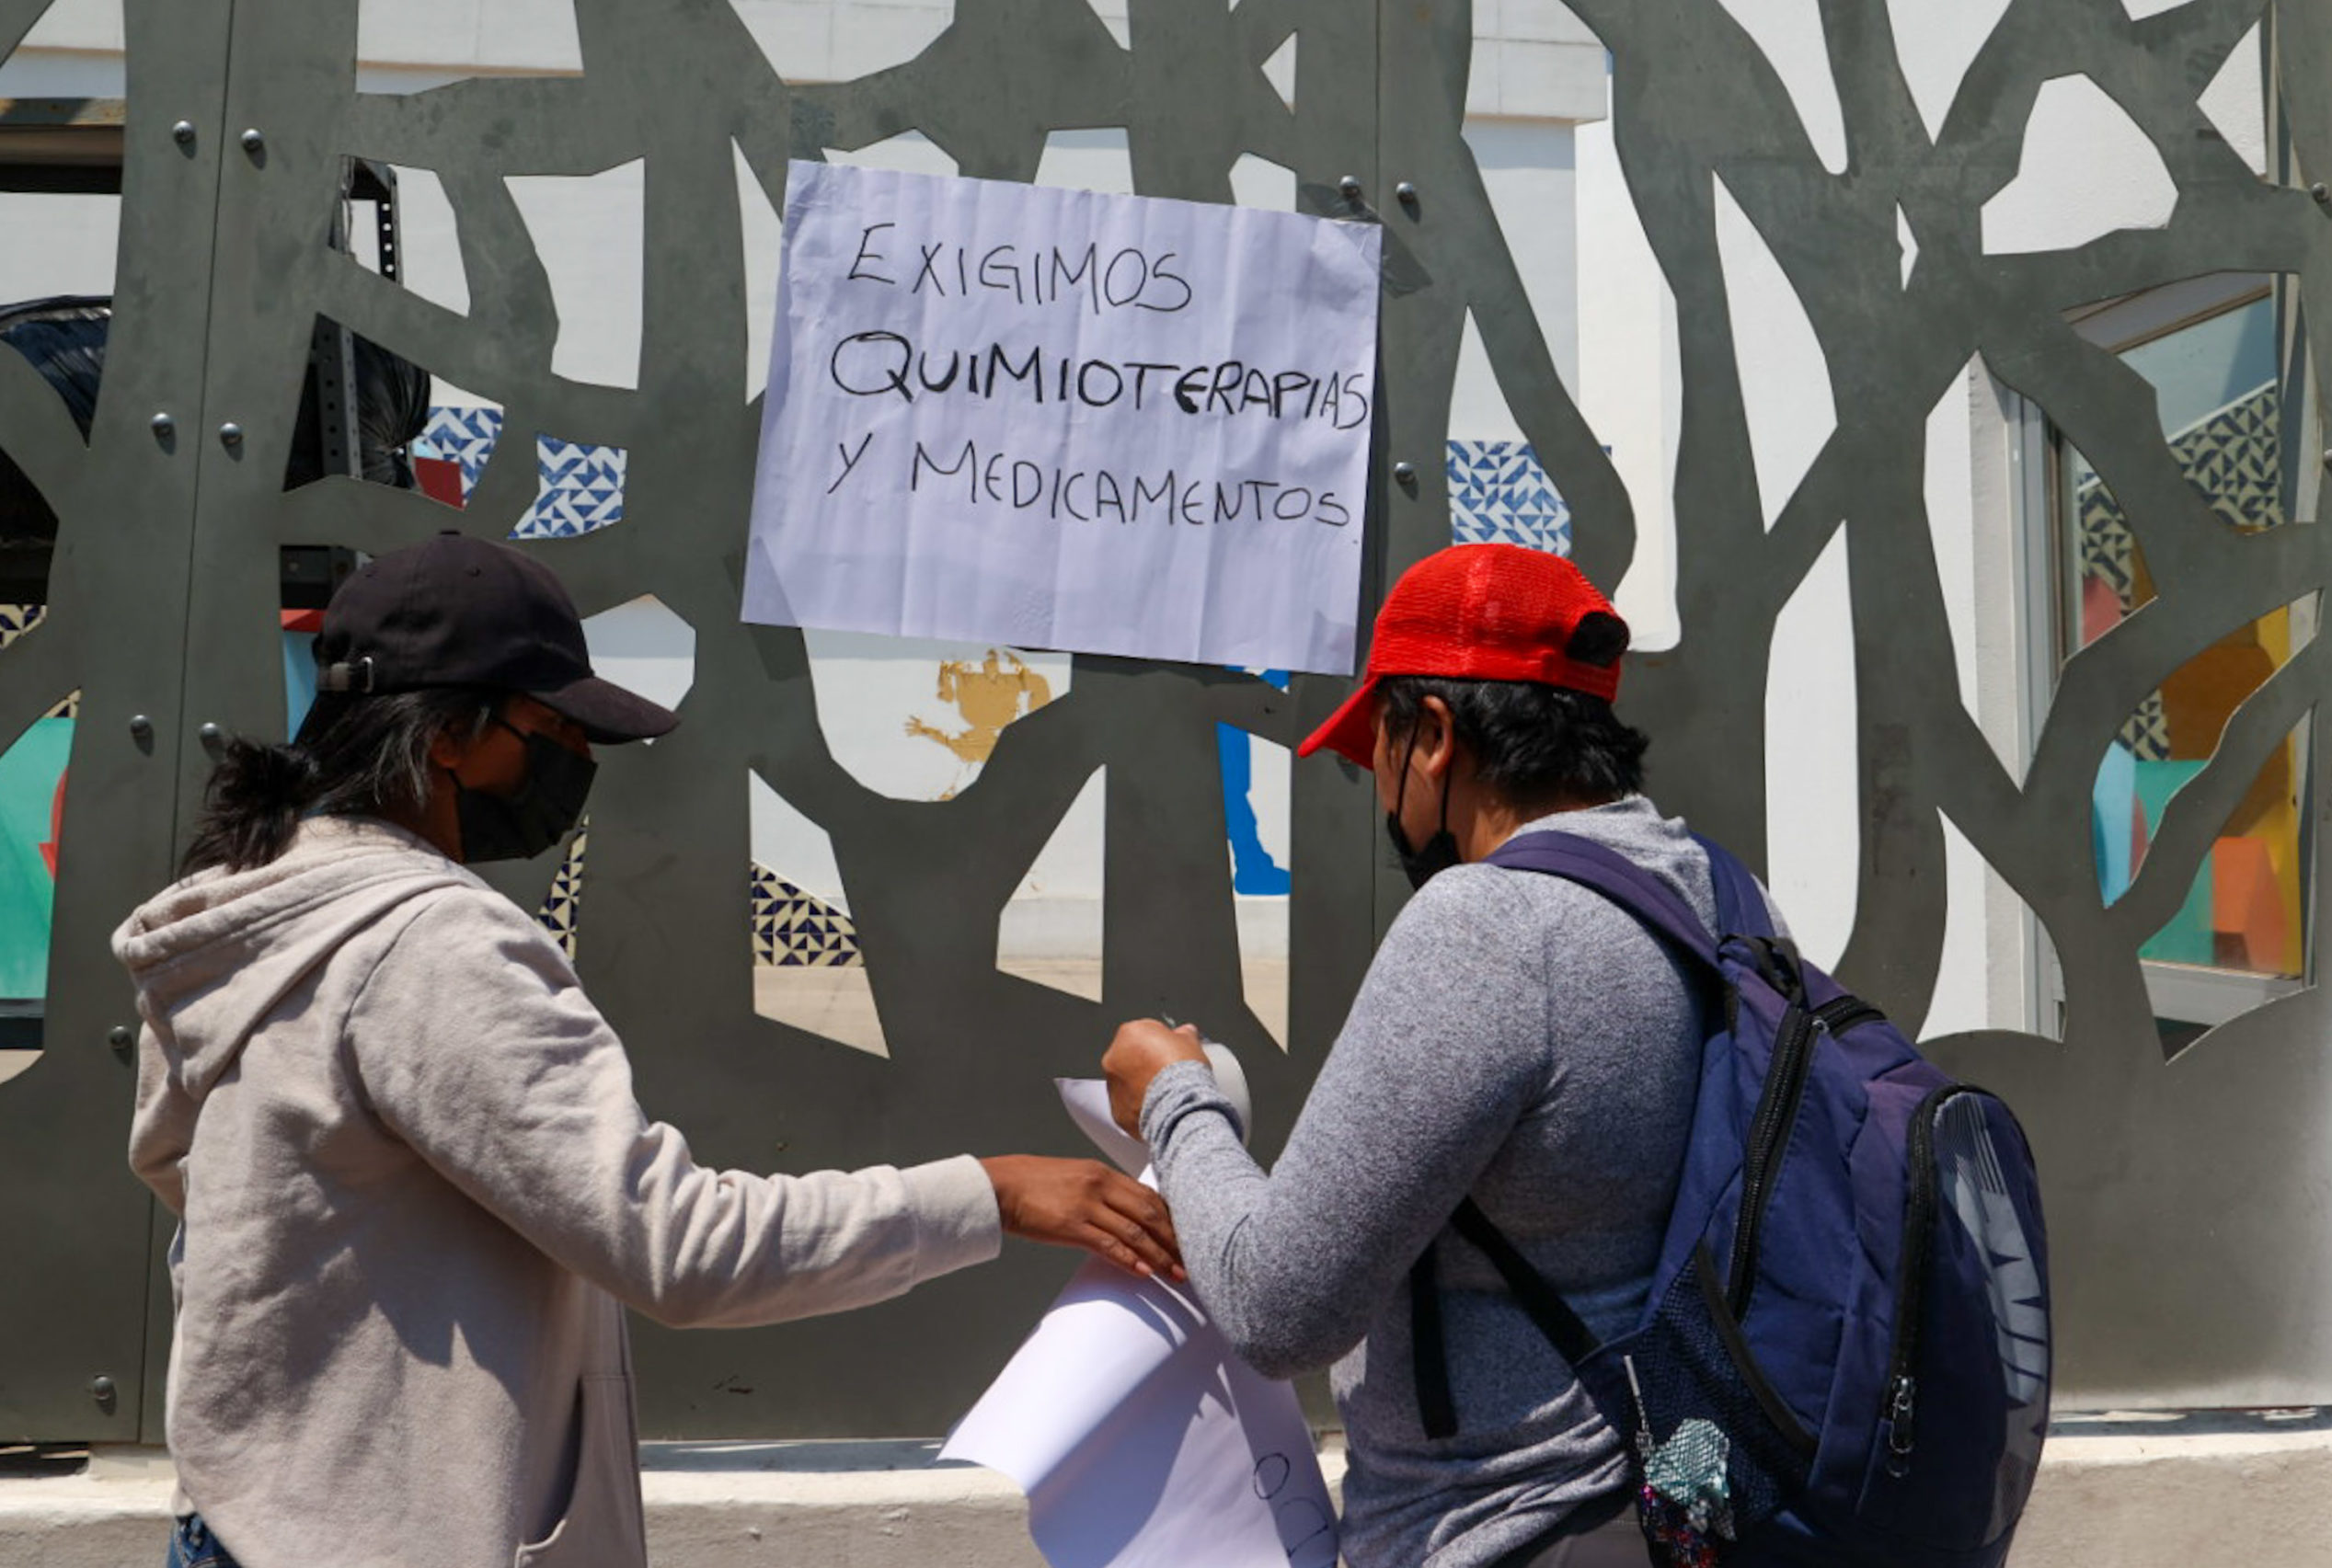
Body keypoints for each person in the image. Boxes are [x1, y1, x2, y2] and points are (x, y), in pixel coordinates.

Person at [116, 531, 1182, 1568]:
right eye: (554, 726)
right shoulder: (434, 945)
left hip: (240, 1518)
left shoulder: (237, 919)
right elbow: (677, 1249)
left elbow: (187, 1182)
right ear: (448, 735)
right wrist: (987, 1193)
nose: (577, 759)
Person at [1105, 543, 1763, 1568]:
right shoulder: (1716, 894)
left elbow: (1278, 1307)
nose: (1375, 786)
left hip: (1504, 1529)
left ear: (1436, 737)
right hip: (1674, 1507)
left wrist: (1174, 1100)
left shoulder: (1491, 925)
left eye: (1378, 744)